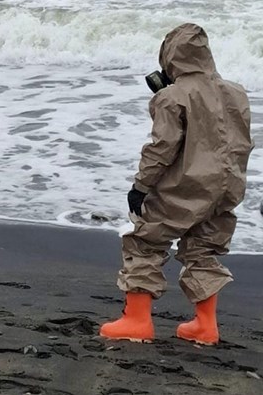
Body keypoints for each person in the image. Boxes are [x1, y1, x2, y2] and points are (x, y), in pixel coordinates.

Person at [100, 23, 253, 345]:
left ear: (171, 57)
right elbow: (240, 143)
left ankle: (137, 322)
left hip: (185, 185)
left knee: (145, 242)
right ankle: (205, 326)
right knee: (203, 250)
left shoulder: (172, 96)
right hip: (226, 186)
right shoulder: (236, 92)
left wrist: (141, 186)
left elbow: (162, 148)